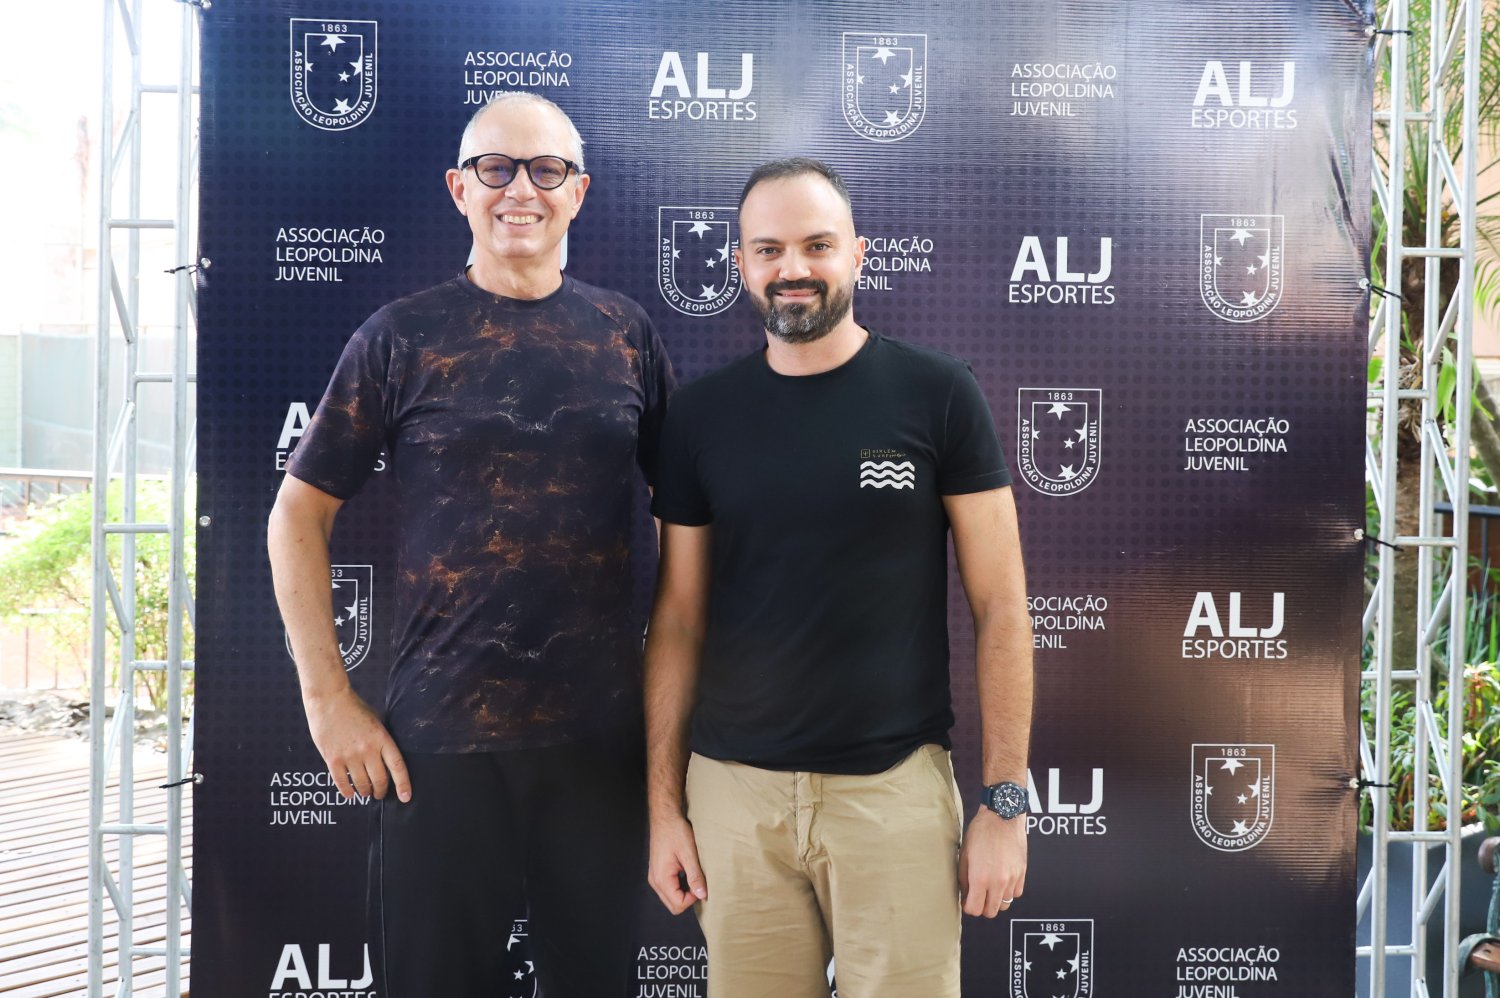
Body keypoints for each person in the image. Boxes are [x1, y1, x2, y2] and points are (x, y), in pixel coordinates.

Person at [267, 92, 674, 998]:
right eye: (496, 168)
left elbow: (682, 523)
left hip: (601, 749)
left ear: (578, 191)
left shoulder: (626, 335)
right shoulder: (400, 337)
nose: (520, 189)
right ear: (460, 188)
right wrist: (327, 700)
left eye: (546, 170)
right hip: (438, 750)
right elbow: (295, 515)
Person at [643, 157, 1033, 997]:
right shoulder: (699, 417)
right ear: (741, 264)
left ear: (858, 254)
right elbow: (676, 619)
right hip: (734, 804)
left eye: (817, 245)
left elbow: (1002, 606)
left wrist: (1005, 804)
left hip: (892, 797)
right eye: (769, 249)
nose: (793, 268)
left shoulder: (938, 394)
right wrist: (664, 810)